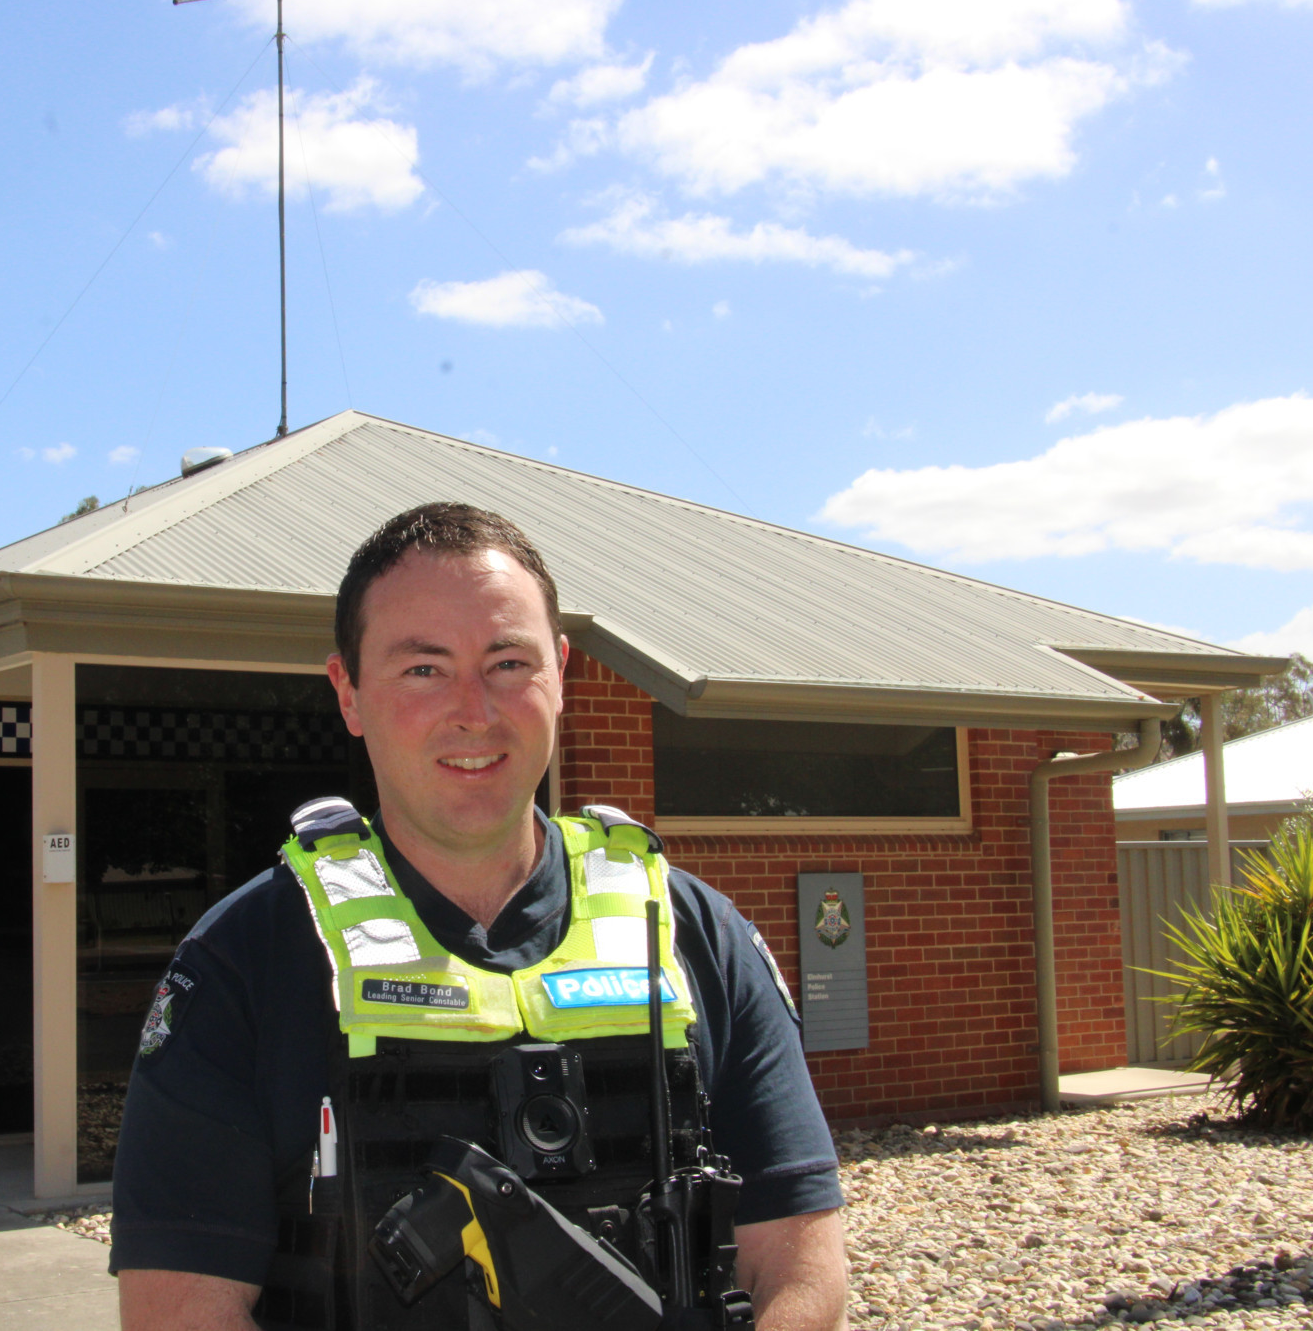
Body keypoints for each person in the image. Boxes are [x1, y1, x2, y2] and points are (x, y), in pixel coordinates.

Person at [112, 503, 847, 1331]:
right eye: (424, 669)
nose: (474, 710)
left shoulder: (693, 935)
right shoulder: (240, 962)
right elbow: (176, 1309)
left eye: (506, 661)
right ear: (347, 693)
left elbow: (800, 1264)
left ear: (561, 671)